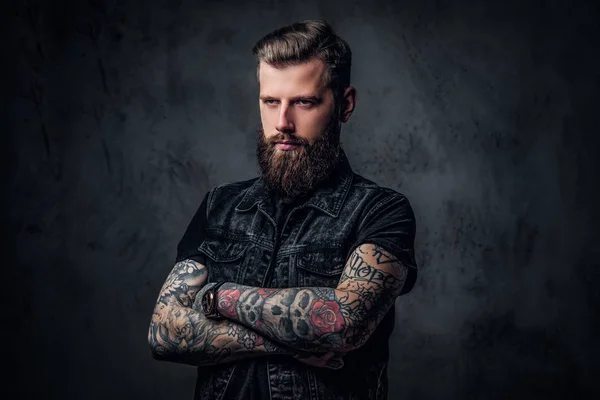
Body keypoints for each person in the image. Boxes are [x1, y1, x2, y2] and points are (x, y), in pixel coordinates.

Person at [147, 19, 418, 400]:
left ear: (345, 104)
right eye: (270, 101)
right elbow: (165, 333)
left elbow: (343, 323)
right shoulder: (219, 206)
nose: (282, 123)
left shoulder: (381, 211)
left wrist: (218, 295)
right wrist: (288, 343)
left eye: (304, 102)